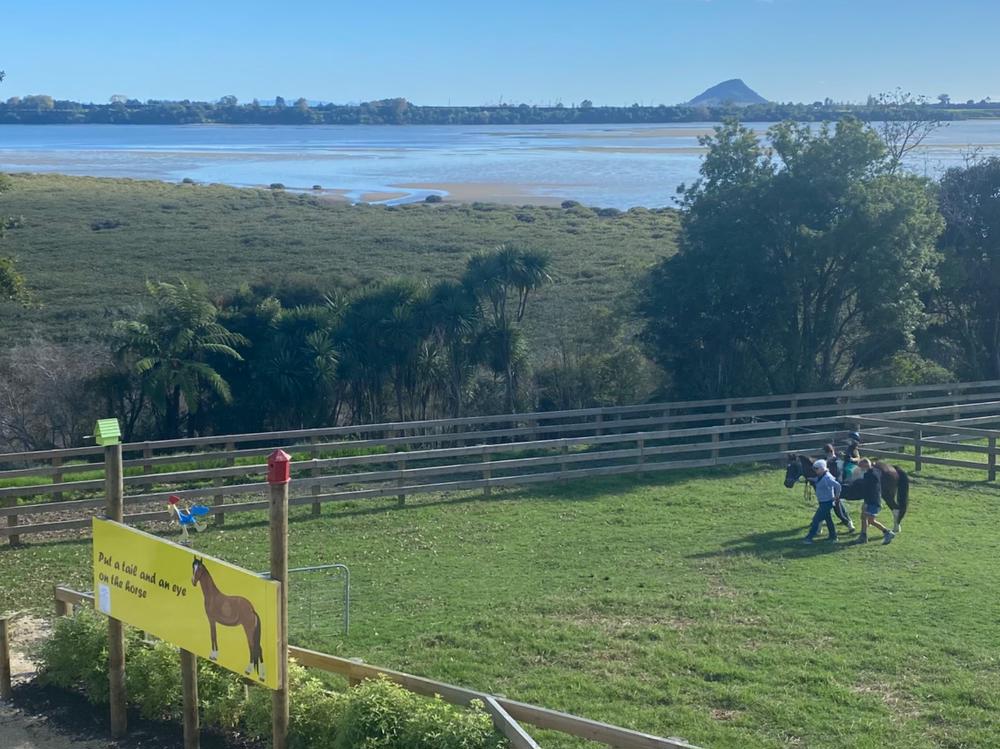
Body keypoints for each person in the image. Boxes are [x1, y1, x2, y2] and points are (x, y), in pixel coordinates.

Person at [847, 458, 896, 545]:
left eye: (861, 467)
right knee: (865, 518)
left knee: (869, 520)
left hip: (872, 501)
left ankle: (887, 532)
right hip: (873, 500)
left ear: (865, 466)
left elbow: (869, 490)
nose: (860, 469)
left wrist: (867, 502)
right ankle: (864, 536)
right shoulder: (876, 471)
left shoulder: (869, 476)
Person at [803, 459, 842, 544]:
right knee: (828, 520)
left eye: (816, 469)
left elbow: (838, 486)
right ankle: (833, 537)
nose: (815, 470)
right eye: (814, 469)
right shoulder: (821, 475)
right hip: (823, 502)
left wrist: (836, 496)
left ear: (822, 468)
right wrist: (810, 479)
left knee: (816, 520)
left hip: (827, 502)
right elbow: (817, 479)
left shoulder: (827, 478)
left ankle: (809, 537)